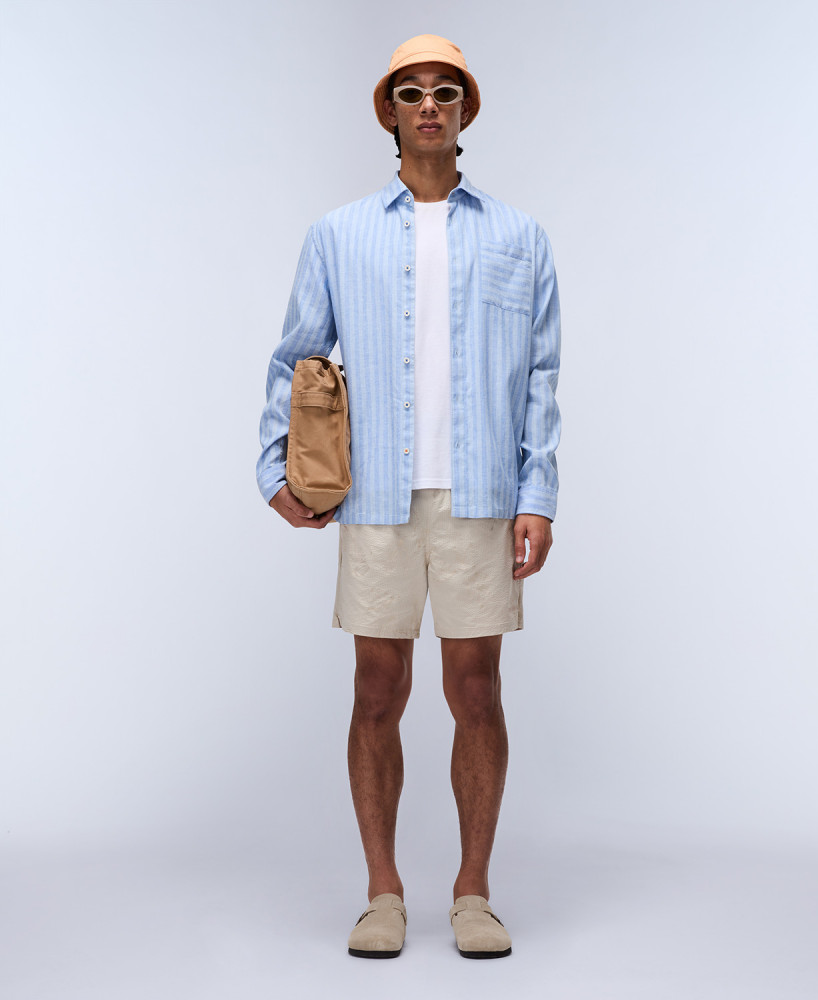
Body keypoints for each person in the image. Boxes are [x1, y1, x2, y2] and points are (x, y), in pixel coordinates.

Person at [256, 34, 561, 959]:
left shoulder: (518, 236)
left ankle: (473, 893)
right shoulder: (338, 233)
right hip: (375, 498)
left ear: (466, 109)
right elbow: (297, 355)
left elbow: (541, 376)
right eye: (411, 92)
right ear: (388, 111)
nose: (429, 105)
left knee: (477, 691)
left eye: (445, 91)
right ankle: (382, 893)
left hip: (481, 495)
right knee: (377, 690)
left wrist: (539, 493)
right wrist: (275, 469)